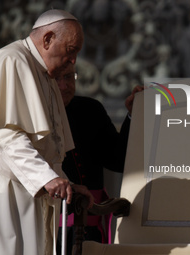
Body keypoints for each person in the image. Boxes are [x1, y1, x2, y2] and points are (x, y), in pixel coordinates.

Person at [0, 9, 94, 255]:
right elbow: (10, 136)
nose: (73, 60)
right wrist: (47, 179)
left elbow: (49, 146)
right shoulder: (10, 61)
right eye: (71, 50)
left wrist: (65, 182)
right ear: (48, 39)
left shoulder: (44, 73)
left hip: (22, 185)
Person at [55, 66, 143, 254]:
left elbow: (117, 160)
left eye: (69, 77)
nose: (64, 85)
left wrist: (133, 115)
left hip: (89, 229)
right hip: (49, 230)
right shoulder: (32, 114)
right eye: (57, 79)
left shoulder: (90, 109)